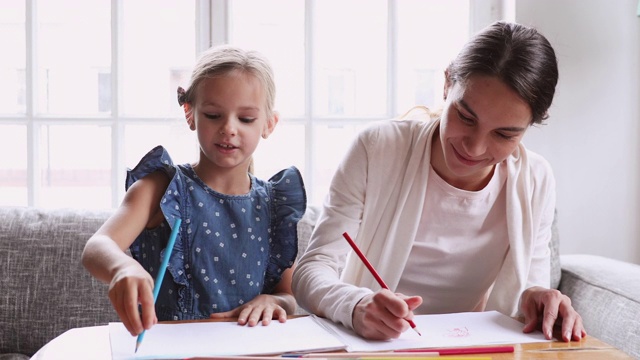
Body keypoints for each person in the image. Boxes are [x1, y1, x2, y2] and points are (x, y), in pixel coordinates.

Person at [292, 21, 586, 343]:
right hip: (374, 346)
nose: (473, 148)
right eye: (466, 117)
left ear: (530, 125)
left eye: (504, 134)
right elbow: (311, 270)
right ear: (447, 84)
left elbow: (528, 288)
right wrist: (356, 305)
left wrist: (539, 300)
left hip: (470, 348)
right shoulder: (377, 148)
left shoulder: (535, 180)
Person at [82, 45, 306, 337]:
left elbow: (289, 294)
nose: (229, 128)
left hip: (246, 352)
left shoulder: (274, 206)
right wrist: (121, 267)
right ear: (190, 114)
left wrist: (274, 301)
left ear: (268, 124)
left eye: (246, 119)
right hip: (168, 352)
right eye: (213, 115)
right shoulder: (162, 187)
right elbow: (97, 247)